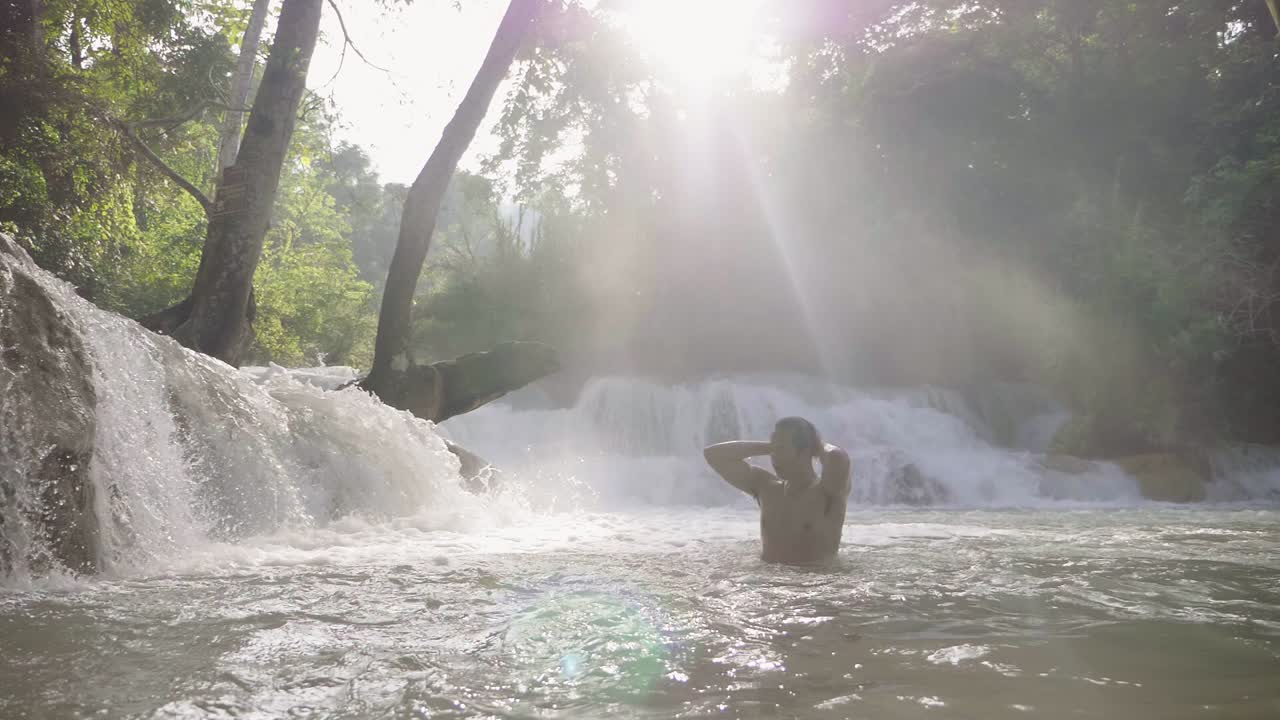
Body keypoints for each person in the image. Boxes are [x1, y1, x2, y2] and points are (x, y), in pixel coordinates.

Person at [703, 417, 851, 564]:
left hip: (815, 585)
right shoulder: (766, 487)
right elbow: (714, 454)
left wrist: (815, 445)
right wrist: (771, 446)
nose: (774, 457)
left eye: (781, 449)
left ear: (806, 451)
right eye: (773, 449)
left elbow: (837, 457)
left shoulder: (828, 491)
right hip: (766, 585)